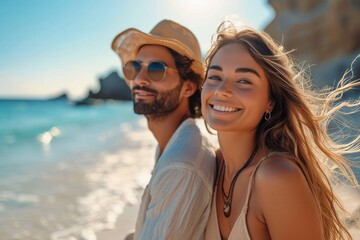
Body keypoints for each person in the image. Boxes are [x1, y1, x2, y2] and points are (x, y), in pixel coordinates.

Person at [201, 21, 360, 240]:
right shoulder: (212, 165)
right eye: (215, 77)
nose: (222, 90)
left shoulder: (276, 176)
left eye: (244, 81)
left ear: (271, 102)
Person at [111, 19, 216, 240]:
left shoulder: (180, 164)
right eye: (135, 67)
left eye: (156, 69)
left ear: (187, 87)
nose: (139, 79)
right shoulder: (175, 143)